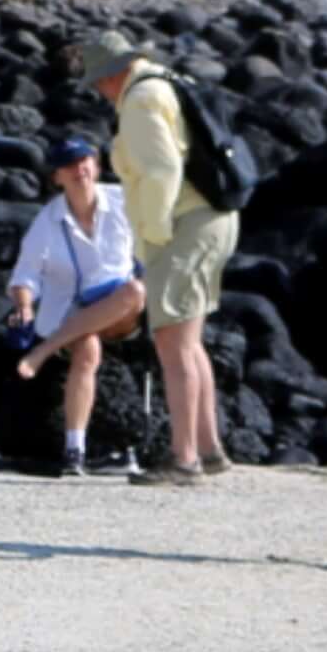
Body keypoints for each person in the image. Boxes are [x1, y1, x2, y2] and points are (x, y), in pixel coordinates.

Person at [76, 31, 239, 477]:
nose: (96, 91)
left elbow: (162, 169)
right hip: (212, 219)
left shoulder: (140, 99)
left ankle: (183, 457)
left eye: (96, 82)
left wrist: (151, 234)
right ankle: (208, 448)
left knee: (172, 341)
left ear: (112, 75)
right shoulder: (164, 82)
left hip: (184, 225)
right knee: (189, 340)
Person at [4, 133, 149, 478]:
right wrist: (24, 307)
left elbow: (155, 247)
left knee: (133, 291)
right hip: (70, 310)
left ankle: (42, 352)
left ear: (96, 166)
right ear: (56, 177)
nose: (79, 169)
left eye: (84, 161)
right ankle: (75, 451)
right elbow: (24, 276)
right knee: (86, 349)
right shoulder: (47, 221)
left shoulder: (124, 202)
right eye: (69, 165)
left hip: (121, 307)